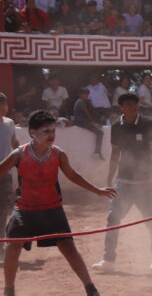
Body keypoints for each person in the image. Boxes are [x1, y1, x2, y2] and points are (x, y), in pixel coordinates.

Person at [0, 110, 117, 296]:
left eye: (53, 131)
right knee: (13, 248)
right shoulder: (19, 154)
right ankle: (8, 290)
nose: (51, 135)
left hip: (51, 209)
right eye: (45, 131)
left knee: (69, 248)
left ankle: (90, 288)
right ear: (32, 133)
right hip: (24, 210)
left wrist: (97, 190)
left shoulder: (58, 154)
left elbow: (73, 176)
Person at [92, 93, 152, 273]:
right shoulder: (117, 126)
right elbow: (115, 155)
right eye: (128, 105)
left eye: (134, 104)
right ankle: (108, 260)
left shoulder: (147, 124)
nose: (132, 107)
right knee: (113, 219)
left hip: (144, 181)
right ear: (121, 107)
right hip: (123, 181)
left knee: (151, 221)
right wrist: (109, 181)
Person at [0, 93, 19, 259]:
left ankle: (0, 248)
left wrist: (20, 160)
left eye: (5, 105)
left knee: (3, 209)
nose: (3, 108)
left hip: (5, 173)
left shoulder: (9, 123)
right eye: (1, 105)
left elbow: (15, 144)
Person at [73, 88, 104, 161]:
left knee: (100, 132)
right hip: (82, 122)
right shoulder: (81, 102)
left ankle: (97, 152)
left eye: (87, 94)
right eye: (85, 94)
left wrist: (89, 103)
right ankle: (97, 152)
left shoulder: (82, 101)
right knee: (100, 132)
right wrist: (94, 123)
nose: (87, 95)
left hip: (82, 121)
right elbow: (87, 113)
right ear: (80, 95)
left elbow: (92, 111)